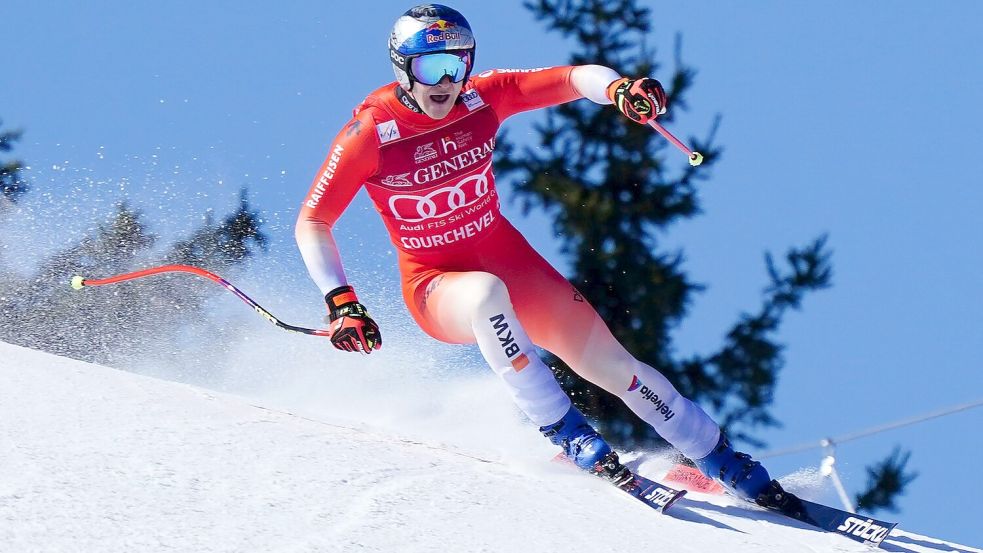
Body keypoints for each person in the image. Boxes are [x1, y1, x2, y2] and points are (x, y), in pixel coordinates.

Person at [295, 3, 774, 501]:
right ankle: (567, 433)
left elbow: (571, 78)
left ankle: (721, 456)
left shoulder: (482, 98)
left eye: (455, 65)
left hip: (511, 263)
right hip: (435, 285)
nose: (444, 81)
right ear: (402, 67)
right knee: (483, 295)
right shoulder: (372, 132)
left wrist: (618, 90)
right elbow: (313, 221)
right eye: (429, 66)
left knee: (615, 366)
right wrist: (341, 301)